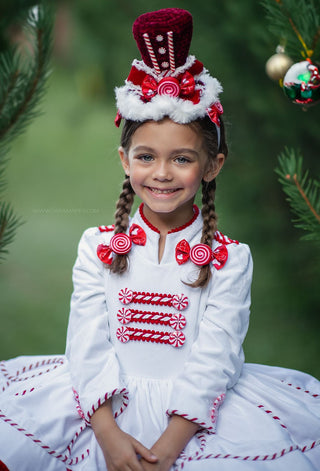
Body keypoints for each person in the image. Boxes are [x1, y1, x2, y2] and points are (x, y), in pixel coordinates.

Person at [0, 8, 319, 471]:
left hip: (193, 420)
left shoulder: (230, 260)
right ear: (125, 161)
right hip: (100, 412)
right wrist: (107, 435)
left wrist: (169, 448)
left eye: (182, 158)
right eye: (146, 156)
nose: (162, 173)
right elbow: (86, 343)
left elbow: (216, 358)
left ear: (212, 165)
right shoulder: (98, 248)